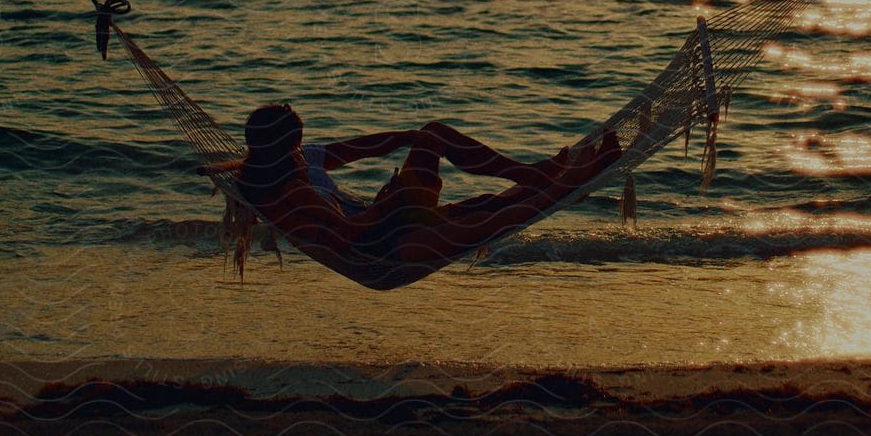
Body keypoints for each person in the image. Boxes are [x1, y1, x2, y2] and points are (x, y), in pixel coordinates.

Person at [206, 104, 621, 288]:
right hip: (386, 247)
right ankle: (565, 182)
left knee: (440, 143)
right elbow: (350, 234)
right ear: (281, 147)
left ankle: (542, 175)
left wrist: (407, 138)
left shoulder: (295, 160)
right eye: (296, 142)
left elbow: (356, 148)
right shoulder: (293, 192)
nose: (303, 147)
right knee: (492, 216)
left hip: (395, 221)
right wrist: (387, 202)